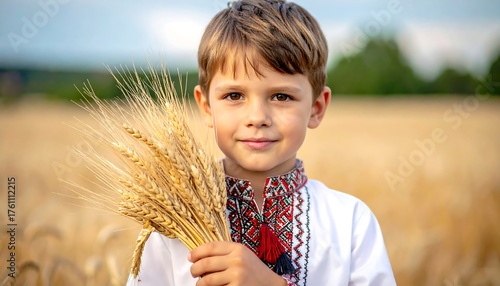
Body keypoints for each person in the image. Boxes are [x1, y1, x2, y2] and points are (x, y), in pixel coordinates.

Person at [128, 0, 396, 285]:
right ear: (206, 107)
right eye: (234, 96)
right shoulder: (172, 222)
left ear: (316, 108)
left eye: (281, 96)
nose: (257, 117)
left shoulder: (350, 222)